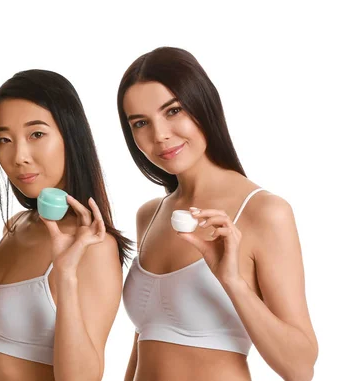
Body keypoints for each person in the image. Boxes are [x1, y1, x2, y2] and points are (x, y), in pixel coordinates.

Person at [119, 47, 318, 381]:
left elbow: (300, 368)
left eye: (173, 111)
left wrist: (232, 282)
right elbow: (144, 340)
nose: (160, 135)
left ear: (203, 104)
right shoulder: (149, 215)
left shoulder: (264, 212)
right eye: (141, 123)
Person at [0, 69, 132, 381]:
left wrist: (66, 274)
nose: (19, 156)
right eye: (4, 139)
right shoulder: (16, 227)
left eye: (36, 135)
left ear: (70, 136)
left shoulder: (95, 247)